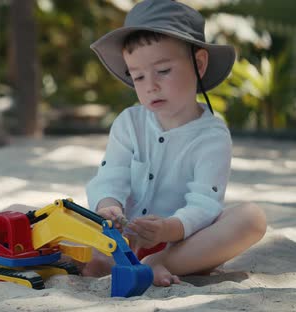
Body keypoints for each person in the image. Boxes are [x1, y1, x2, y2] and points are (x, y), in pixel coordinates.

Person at [83, 0, 267, 286]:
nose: (150, 86)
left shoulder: (212, 136)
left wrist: (169, 230)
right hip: (121, 238)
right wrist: (110, 208)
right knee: (49, 221)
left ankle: (158, 264)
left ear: (199, 63)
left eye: (163, 71)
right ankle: (114, 262)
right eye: (138, 76)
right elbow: (111, 176)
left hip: (180, 242)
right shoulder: (129, 122)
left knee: (251, 219)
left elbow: (205, 203)